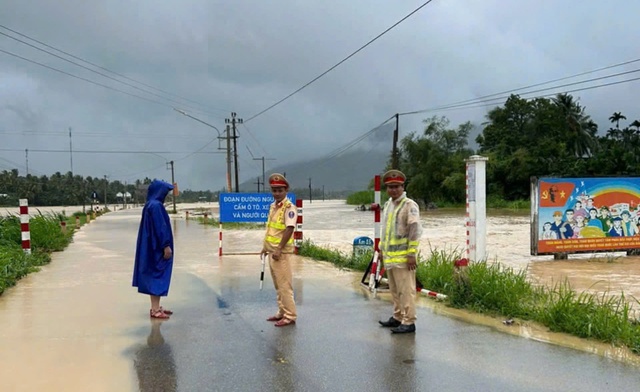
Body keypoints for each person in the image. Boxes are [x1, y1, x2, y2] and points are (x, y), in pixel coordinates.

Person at [378, 169, 422, 334]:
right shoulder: (389, 204)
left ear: (403, 187)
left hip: (404, 258)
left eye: (397, 186)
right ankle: (397, 317)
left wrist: (411, 254)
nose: (393, 190)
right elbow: (386, 230)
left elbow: (415, 230)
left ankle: (409, 321)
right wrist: (382, 249)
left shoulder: (409, 205)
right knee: (395, 290)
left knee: (406, 290)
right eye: (390, 187)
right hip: (390, 257)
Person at [133, 179, 175, 319]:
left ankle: (155, 307)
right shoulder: (156, 206)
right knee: (158, 275)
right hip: (157, 247)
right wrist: (166, 245)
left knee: (154, 274)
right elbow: (160, 227)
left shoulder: (149, 204)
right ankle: (156, 310)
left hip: (151, 245)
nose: (166, 195)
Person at [260, 173, 298, 327]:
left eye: (280, 190)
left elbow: (289, 229)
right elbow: (271, 229)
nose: (277, 193)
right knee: (278, 285)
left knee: (284, 285)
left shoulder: (289, 208)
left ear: (286, 190)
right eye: (274, 190)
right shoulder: (273, 206)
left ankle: (290, 315)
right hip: (272, 252)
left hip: (280, 253)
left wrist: (279, 249)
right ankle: (282, 311)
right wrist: (265, 248)